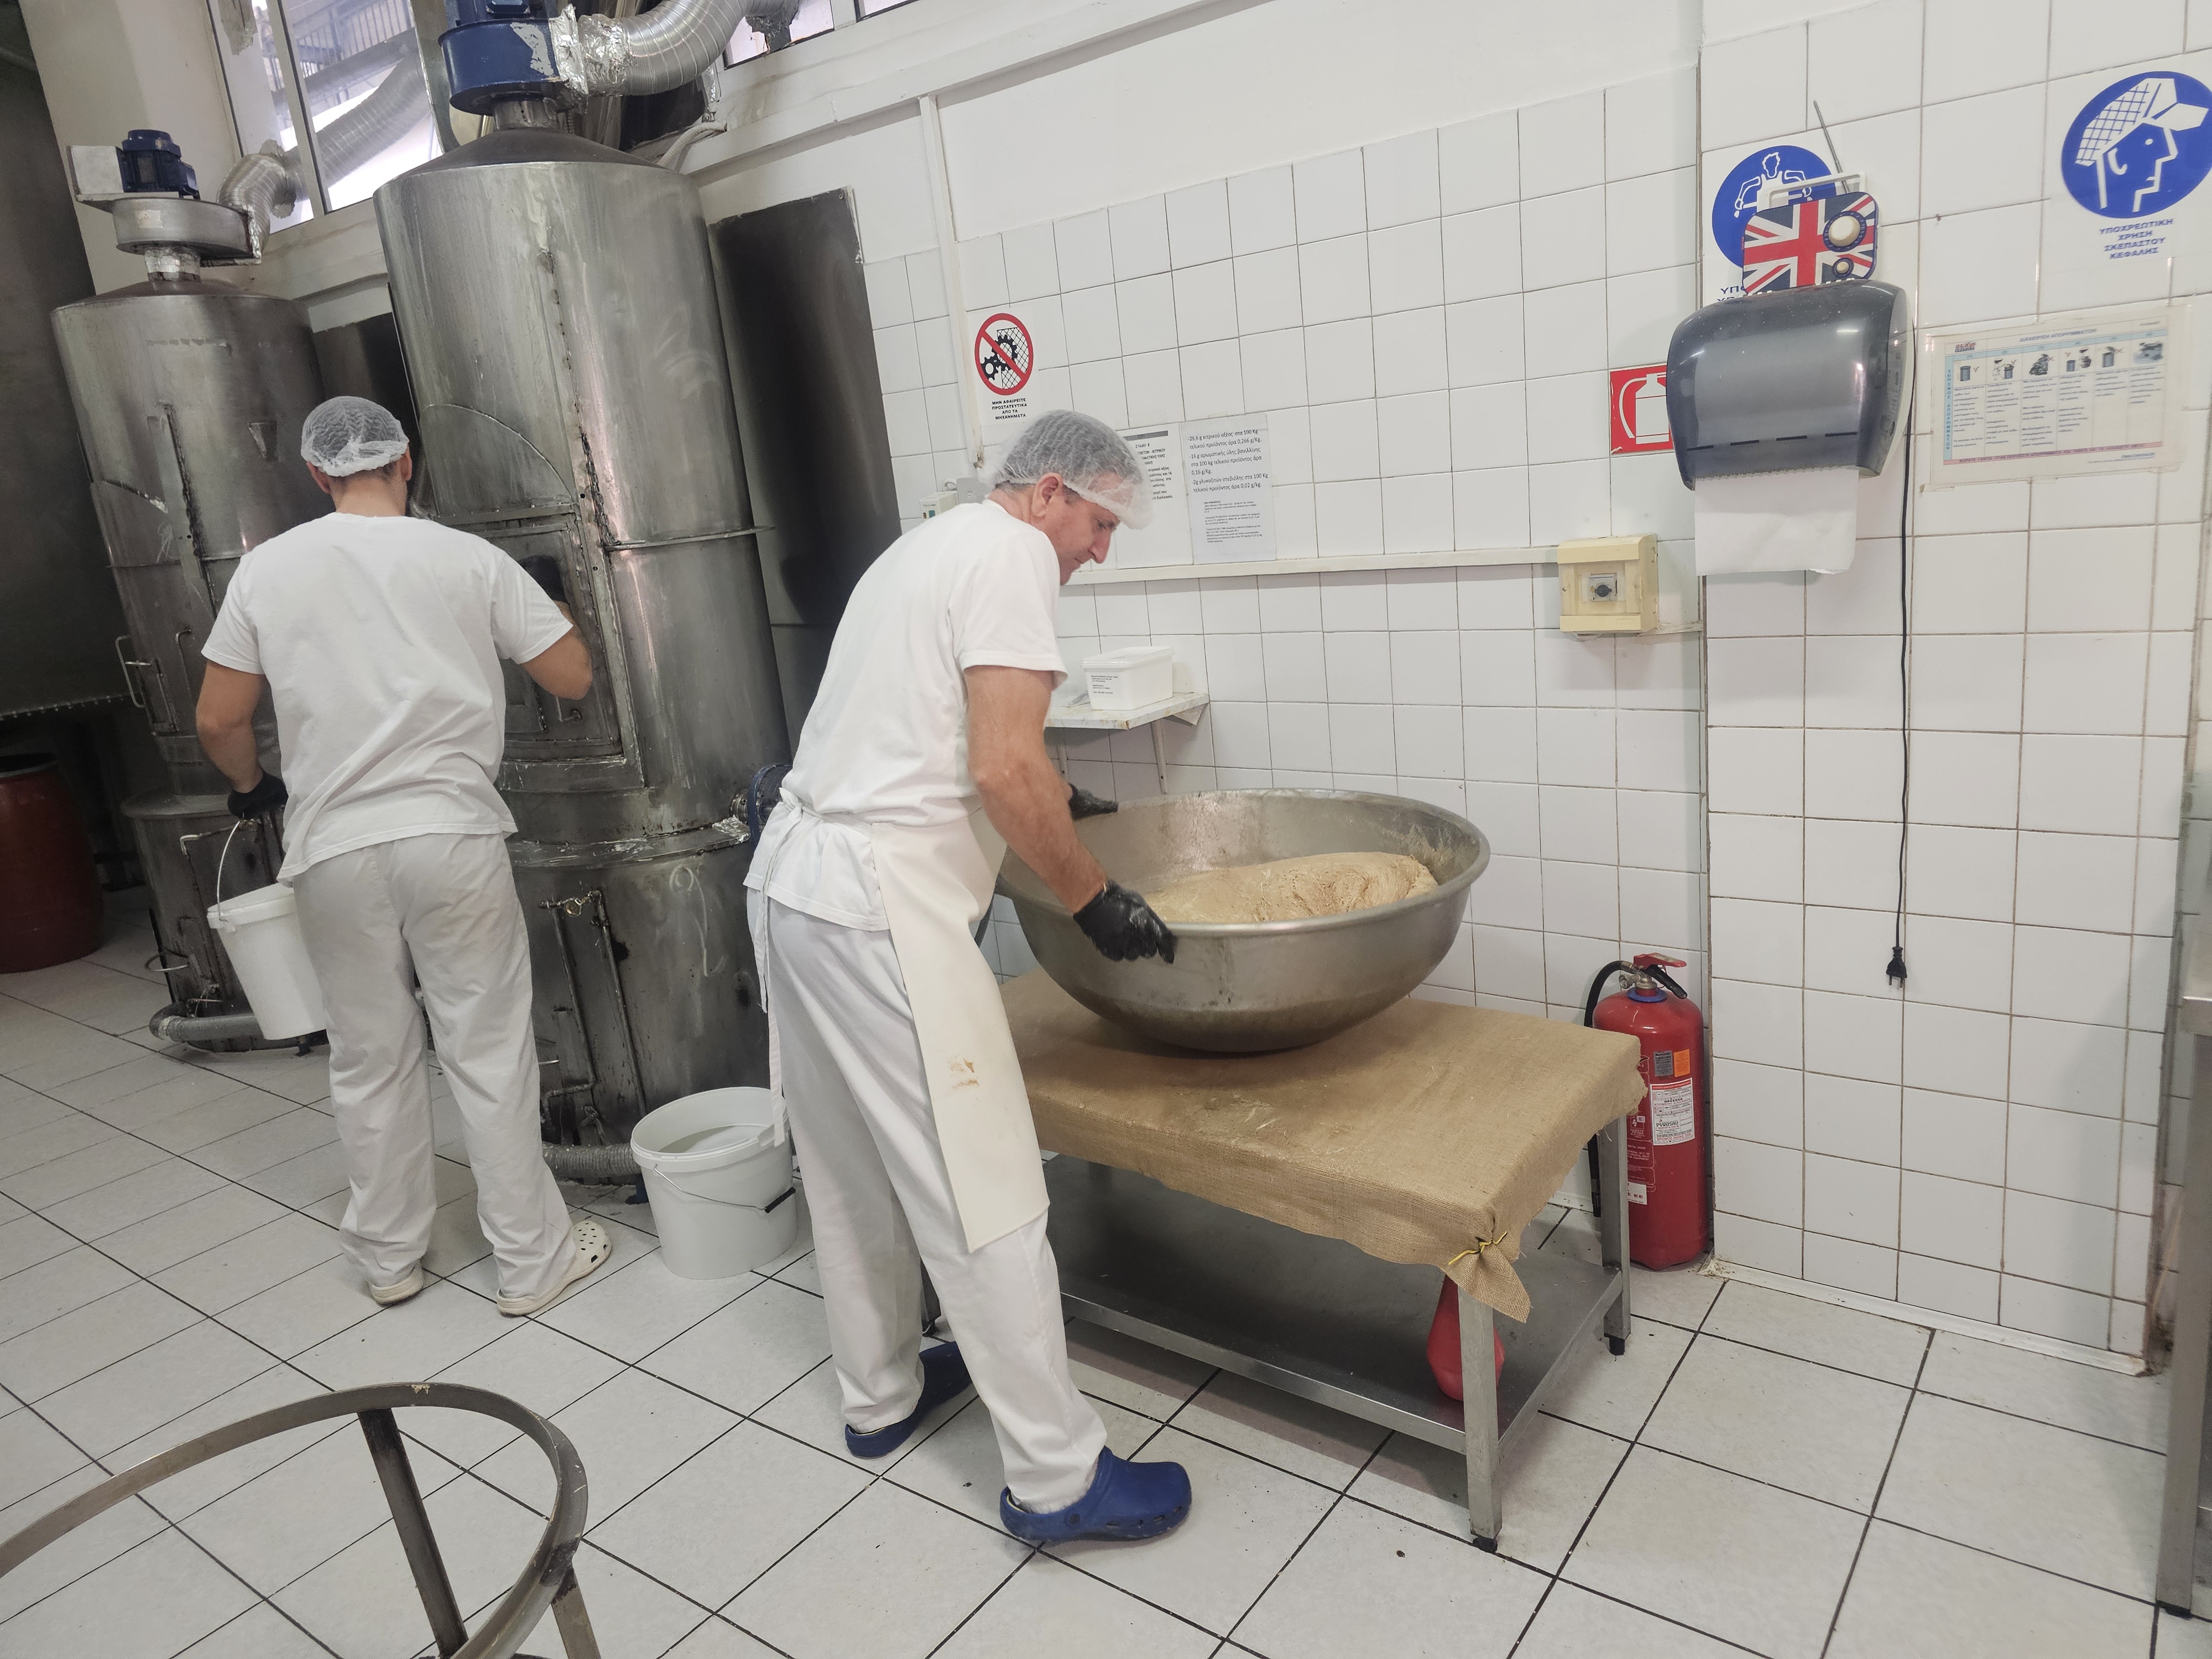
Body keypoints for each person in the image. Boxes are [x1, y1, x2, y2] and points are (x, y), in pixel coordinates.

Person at [747, 410, 1190, 1543]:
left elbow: (928, 731)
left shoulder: (927, 546)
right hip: (879, 909)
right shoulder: (1012, 557)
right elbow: (999, 765)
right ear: (1049, 493)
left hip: (796, 884)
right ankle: (1057, 1477)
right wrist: (1093, 898)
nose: (1101, 551)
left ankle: (881, 1395)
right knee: (982, 1182)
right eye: (1100, 524)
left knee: (846, 1162)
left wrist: (1059, 797)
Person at [195, 395, 612, 1316]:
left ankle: (389, 1260)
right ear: (406, 461)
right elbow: (572, 676)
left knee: (369, 1055)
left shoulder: (266, 570)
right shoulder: (467, 558)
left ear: (318, 473)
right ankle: (531, 1265)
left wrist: (255, 787)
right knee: (487, 1050)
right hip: (450, 834)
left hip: (334, 847)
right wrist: (547, 604)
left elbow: (219, 721)